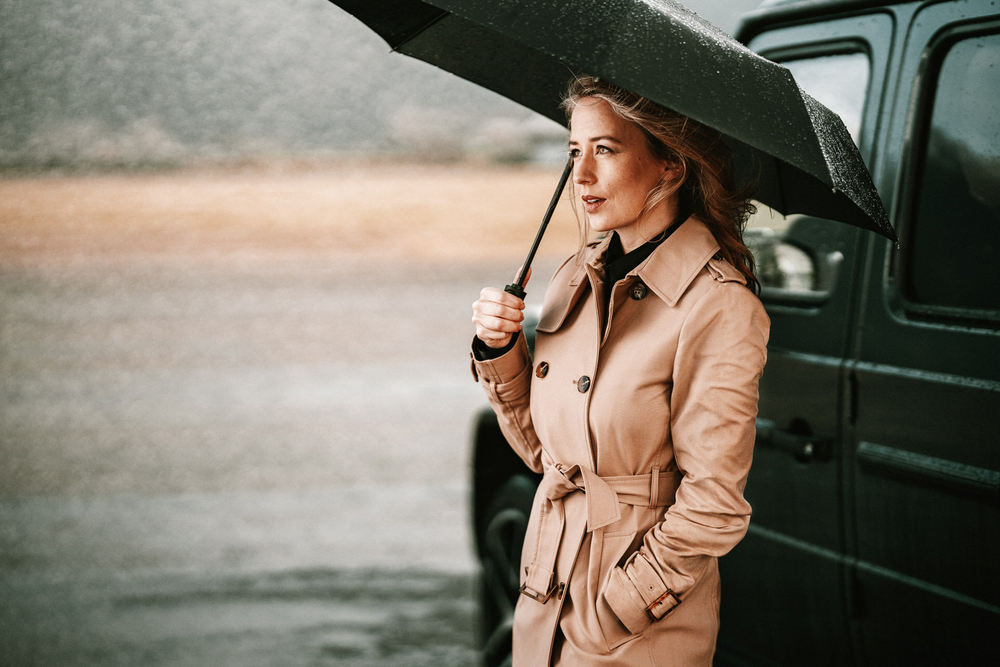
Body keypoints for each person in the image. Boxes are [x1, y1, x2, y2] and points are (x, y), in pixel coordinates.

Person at [470, 76, 770, 666]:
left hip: (632, 631)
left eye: (605, 150)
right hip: (544, 599)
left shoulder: (717, 305)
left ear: (669, 167)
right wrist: (500, 350)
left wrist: (620, 606)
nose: (581, 176)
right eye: (574, 152)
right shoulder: (573, 278)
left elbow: (714, 504)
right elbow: (544, 455)